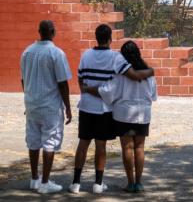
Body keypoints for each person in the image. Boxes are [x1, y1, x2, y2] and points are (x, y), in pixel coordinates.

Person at [69, 25, 154, 194]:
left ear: (96, 37)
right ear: (110, 39)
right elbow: (133, 77)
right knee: (101, 145)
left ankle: (76, 183)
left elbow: (81, 79)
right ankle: (98, 184)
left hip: (86, 106)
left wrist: (86, 91)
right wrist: (151, 71)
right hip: (103, 109)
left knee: (83, 143)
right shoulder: (116, 58)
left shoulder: (85, 55)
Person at [98, 40, 157, 193]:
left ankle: (130, 183)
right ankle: (139, 183)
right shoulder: (148, 73)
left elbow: (109, 93)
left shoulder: (120, 73)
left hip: (123, 114)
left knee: (127, 147)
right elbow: (153, 95)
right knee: (140, 147)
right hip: (143, 114)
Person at [21, 20, 72, 194]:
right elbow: (63, 84)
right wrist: (68, 108)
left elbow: (23, 80)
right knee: (50, 141)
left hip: (32, 104)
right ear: (53, 32)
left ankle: (34, 179)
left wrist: (28, 98)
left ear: (39, 31)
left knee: (33, 141)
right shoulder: (56, 53)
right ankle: (45, 182)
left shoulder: (27, 52)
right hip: (50, 106)